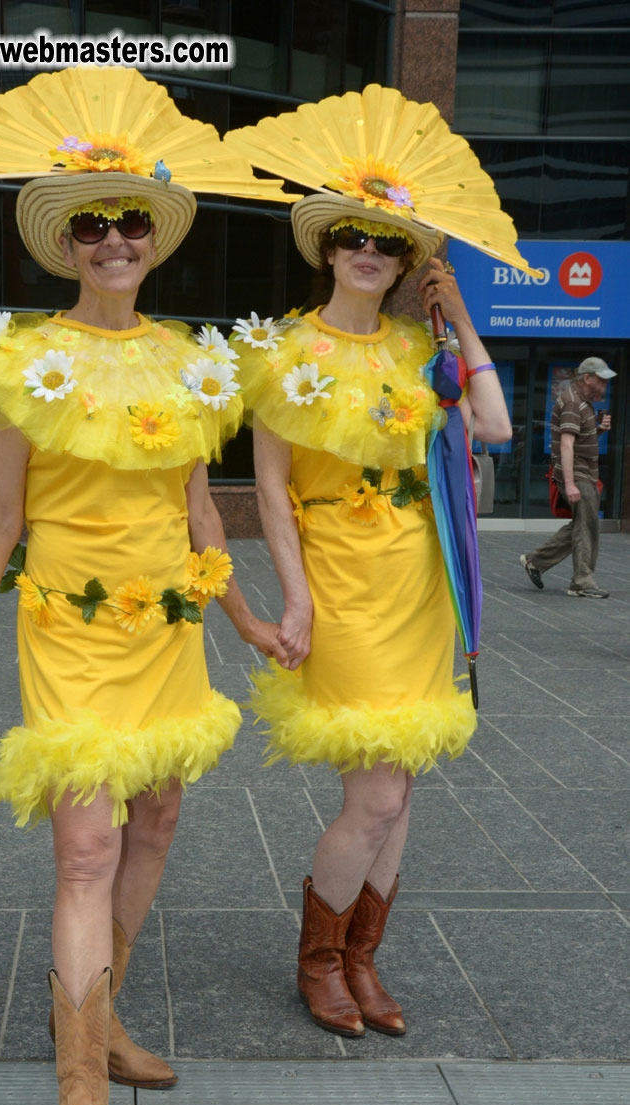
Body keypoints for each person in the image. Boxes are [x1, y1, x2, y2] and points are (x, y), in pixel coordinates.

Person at [0, 68, 289, 1105]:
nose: (112, 238)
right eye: (90, 224)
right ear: (63, 243)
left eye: (129, 220)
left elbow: (198, 507)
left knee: (158, 813)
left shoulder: (195, 361)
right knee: (86, 842)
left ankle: (104, 1018)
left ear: (154, 237)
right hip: (66, 624)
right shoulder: (20, 362)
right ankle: (79, 1102)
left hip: (166, 627)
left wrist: (249, 617)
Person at [228, 88, 513, 1042]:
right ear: (326, 245)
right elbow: (270, 492)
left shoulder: (414, 348)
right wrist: (295, 596)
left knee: (405, 784)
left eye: (389, 242)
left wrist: (459, 318)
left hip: (417, 585)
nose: (369, 251)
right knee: (376, 792)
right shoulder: (278, 352)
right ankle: (317, 958)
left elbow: (494, 428)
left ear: (403, 262)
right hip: (342, 589)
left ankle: (359, 956)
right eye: (354, 233)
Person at [520, 357, 615, 599]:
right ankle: (582, 582)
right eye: (602, 379)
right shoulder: (573, 403)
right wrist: (571, 484)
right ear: (587, 378)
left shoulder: (582, 402)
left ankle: (535, 560)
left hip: (584, 474)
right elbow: (566, 445)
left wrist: (599, 429)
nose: (605, 384)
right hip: (578, 475)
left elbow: (577, 437)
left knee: (582, 524)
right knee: (587, 527)